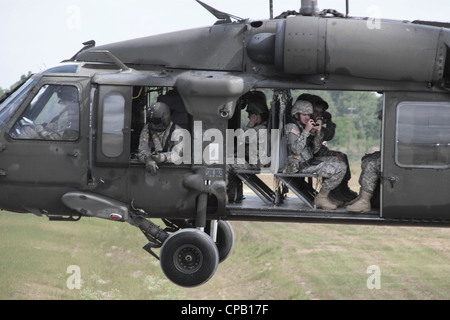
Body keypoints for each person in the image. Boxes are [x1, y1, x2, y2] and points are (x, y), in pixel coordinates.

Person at [285, 100, 347, 210]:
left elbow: (315, 150)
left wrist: (318, 133)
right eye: (304, 114)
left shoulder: (303, 127)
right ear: (296, 114)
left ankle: (327, 196)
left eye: (309, 114)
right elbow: (295, 149)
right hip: (299, 165)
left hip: (308, 161)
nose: (307, 117)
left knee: (339, 161)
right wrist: (306, 131)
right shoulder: (292, 128)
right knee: (340, 168)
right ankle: (322, 197)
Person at [296, 94, 357, 203]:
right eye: (316, 111)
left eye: (321, 112)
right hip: (305, 159)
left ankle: (342, 189)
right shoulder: (301, 126)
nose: (319, 115)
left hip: (314, 154)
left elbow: (328, 136)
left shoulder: (314, 124)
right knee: (338, 162)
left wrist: (328, 122)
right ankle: (334, 192)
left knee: (342, 156)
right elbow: (308, 149)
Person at [138, 102, 181, 174]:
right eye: (152, 121)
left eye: (157, 122)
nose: (154, 125)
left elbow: (179, 155)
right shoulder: (147, 129)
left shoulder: (178, 132)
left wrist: (161, 157)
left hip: (173, 171)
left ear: (165, 118)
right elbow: (142, 151)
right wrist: (147, 159)